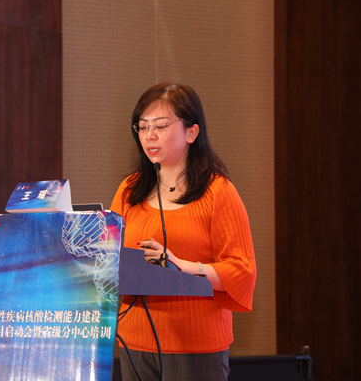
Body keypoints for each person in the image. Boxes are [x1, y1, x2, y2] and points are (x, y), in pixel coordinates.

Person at [110, 83, 257, 380]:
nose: (149, 135)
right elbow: (109, 259)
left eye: (161, 125)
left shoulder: (219, 192)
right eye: (142, 126)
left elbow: (242, 272)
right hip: (135, 343)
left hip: (196, 344)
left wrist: (181, 266)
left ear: (191, 132)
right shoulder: (128, 190)